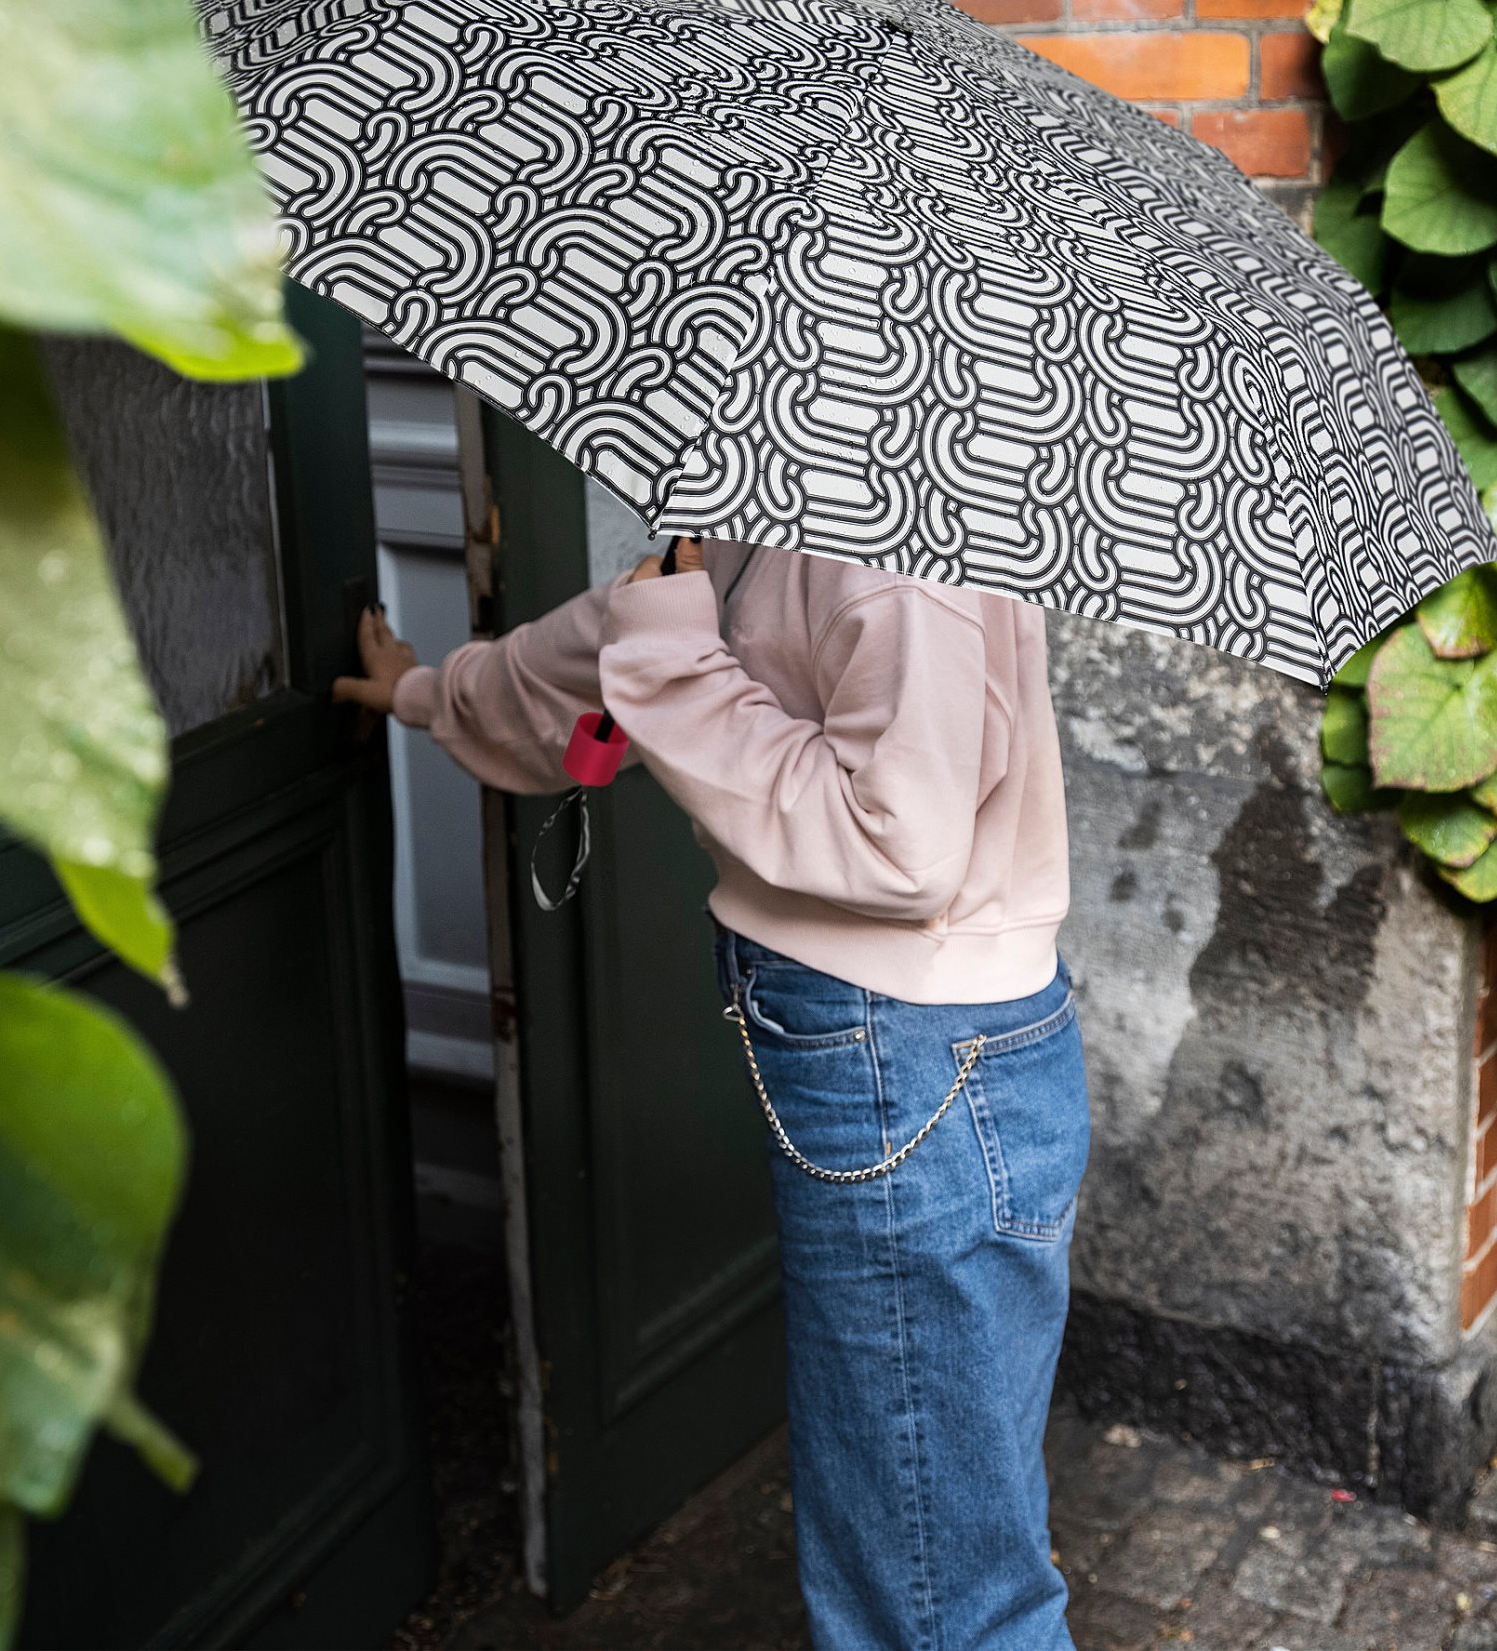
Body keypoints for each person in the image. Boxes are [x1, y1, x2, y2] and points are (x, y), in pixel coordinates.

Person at [334, 536, 1087, 1651]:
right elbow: (614, 643)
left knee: (938, 1600)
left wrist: (674, 663)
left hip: (915, 1060)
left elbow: (903, 846)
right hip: (916, 1057)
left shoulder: (891, 555)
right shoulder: (769, 508)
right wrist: (430, 691)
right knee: (936, 1543)